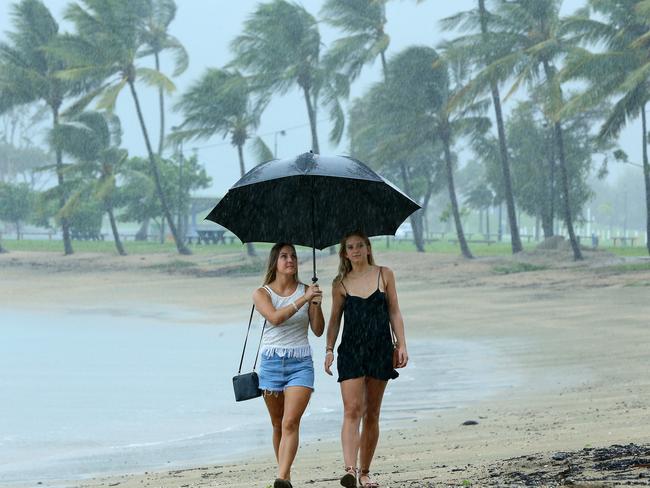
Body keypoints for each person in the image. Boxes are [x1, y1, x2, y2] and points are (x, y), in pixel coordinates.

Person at [324, 231, 408, 488]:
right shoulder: (340, 283)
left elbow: (394, 310)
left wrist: (401, 344)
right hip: (350, 351)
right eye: (350, 247)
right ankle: (350, 469)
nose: (356, 250)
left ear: (368, 248)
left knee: (372, 413)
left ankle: (365, 472)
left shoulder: (385, 274)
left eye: (360, 245)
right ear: (344, 253)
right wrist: (329, 349)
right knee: (352, 410)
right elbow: (335, 319)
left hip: (380, 350)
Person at [253, 243, 324, 488]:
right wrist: (303, 299)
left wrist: (315, 303)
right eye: (284, 256)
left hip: (300, 363)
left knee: (290, 422)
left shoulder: (307, 290)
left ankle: (281, 478)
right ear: (275, 262)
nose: (290, 260)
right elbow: (274, 318)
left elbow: (317, 330)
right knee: (277, 424)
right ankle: (286, 473)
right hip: (271, 363)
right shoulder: (262, 293)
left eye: (293, 256)